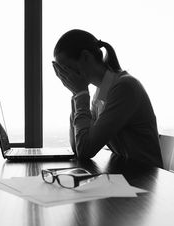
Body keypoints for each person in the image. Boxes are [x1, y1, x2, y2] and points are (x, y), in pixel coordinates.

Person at [52, 29, 163, 168]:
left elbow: (85, 150)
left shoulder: (124, 87)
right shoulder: (102, 90)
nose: (66, 76)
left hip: (145, 178)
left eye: (66, 69)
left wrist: (80, 94)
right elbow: (78, 146)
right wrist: (76, 95)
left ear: (86, 57)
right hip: (128, 174)